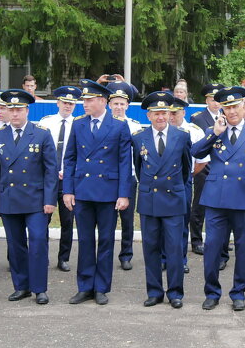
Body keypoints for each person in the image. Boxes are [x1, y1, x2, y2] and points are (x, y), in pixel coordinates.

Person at [190, 86, 245, 311]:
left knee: (244, 248)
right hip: (216, 200)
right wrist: (214, 132)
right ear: (222, 110)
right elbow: (196, 152)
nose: (232, 111)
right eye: (227, 107)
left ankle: (239, 292)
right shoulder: (215, 130)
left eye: (235, 106)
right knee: (213, 248)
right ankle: (212, 292)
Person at [61, 79, 133, 305]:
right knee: (84, 240)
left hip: (108, 192)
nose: (85, 103)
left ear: (103, 101)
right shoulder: (79, 124)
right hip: (82, 191)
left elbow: (124, 162)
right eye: (84, 99)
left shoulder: (119, 125)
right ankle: (84, 286)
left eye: (89, 100)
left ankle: (101, 287)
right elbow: (70, 158)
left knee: (105, 240)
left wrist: (124, 194)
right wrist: (68, 190)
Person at [0, 89, 57, 304]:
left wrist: (50, 200)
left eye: (19, 109)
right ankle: (21, 286)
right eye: (11, 109)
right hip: (9, 199)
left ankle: (39, 288)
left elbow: (50, 170)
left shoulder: (41, 134)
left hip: (36, 200)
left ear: (27, 110)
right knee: (15, 246)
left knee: (37, 242)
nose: (15, 114)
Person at [132, 91, 192, 308]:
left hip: (174, 200)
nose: (160, 117)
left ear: (170, 114)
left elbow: (186, 170)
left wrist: (174, 189)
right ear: (148, 116)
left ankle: (175, 292)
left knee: (175, 249)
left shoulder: (182, 136)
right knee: (151, 249)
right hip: (149, 201)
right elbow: (140, 169)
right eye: (156, 113)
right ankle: (154, 291)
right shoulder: (139, 138)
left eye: (164, 113)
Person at [37, 85, 82, 272]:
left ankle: (63, 258)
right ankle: (42, 256)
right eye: (65, 102)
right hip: (48, 179)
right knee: (43, 220)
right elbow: (39, 152)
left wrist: (68, 172)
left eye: (71, 103)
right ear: (57, 102)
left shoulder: (80, 124)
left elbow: (82, 153)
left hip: (69, 180)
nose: (68, 106)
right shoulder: (46, 122)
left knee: (67, 222)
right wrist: (53, 171)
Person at [106, 82, 142, 270]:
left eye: (122, 104)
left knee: (127, 220)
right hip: (108, 180)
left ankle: (126, 254)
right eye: (115, 104)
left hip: (129, 179)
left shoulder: (135, 127)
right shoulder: (103, 125)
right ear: (109, 105)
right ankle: (106, 254)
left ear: (127, 106)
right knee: (108, 221)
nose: (119, 107)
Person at [170, 96, 205, 274]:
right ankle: (163, 258)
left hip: (183, 181)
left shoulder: (194, 131)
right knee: (162, 222)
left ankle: (181, 259)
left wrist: (189, 174)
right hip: (162, 183)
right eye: (169, 113)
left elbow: (202, 161)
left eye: (175, 113)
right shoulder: (162, 129)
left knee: (182, 222)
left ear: (183, 112)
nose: (171, 116)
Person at [189, 83, 222, 255]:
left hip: (220, 169)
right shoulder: (198, 118)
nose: (215, 103)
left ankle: (218, 239)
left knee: (218, 206)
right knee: (199, 204)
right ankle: (196, 239)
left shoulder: (226, 116)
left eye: (217, 100)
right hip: (204, 167)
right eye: (211, 99)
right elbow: (198, 144)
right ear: (206, 100)